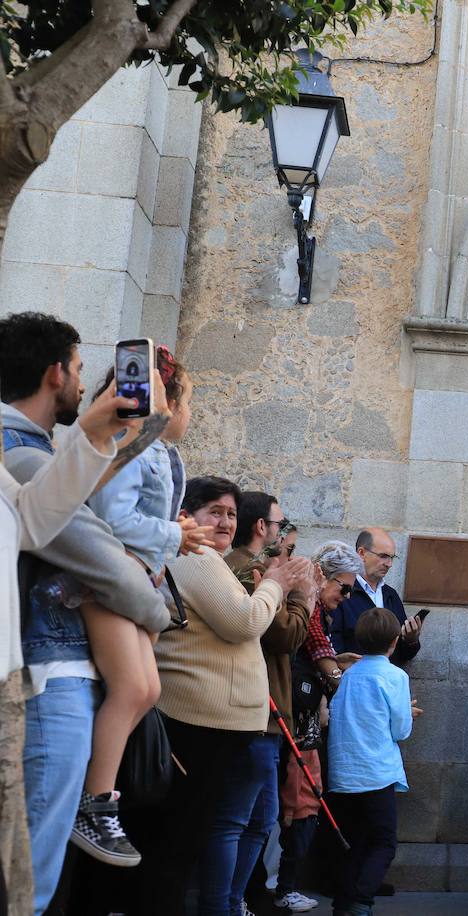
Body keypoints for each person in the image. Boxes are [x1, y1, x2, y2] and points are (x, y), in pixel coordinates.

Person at [0, 311, 172, 910]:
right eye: (77, 369)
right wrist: (157, 609)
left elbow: (84, 485)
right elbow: (93, 544)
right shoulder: (17, 453)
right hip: (52, 675)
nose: (81, 384)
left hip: (57, 667)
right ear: (54, 373)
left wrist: (144, 426)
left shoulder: (36, 449)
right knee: (30, 878)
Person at [129, 476, 313, 916]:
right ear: (185, 516)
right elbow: (244, 623)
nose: (227, 521)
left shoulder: (205, 559)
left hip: (217, 725)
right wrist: (278, 585)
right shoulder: (197, 558)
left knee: (190, 841)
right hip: (200, 725)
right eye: (215, 511)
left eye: (231, 513)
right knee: (180, 845)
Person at [77, 347, 213, 867]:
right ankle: (95, 801)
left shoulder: (160, 453)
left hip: (141, 577)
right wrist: (174, 533)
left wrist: (174, 538)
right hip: (110, 574)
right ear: (167, 400)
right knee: (134, 686)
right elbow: (113, 517)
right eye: (188, 402)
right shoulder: (130, 442)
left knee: (148, 688)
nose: (189, 415)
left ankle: (101, 787)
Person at [224, 503, 317, 916]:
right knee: (253, 819)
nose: (287, 549)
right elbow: (284, 635)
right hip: (257, 711)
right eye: (283, 532)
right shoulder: (248, 569)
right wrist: (304, 596)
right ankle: (229, 902)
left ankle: (232, 899)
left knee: (253, 818)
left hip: (266, 710)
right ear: (263, 526)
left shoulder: (253, 566)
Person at [327, 607, 418, 916]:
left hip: (343, 774)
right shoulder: (395, 676)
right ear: (395, 641)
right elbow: (401, 730)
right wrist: (406, 710)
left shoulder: (348, 674)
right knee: (383, 843)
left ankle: (343, 902)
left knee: (353, 844)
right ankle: (360, 901)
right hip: (376, 774)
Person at [331, 528, 422, 665]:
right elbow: (333, 645)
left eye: (392, 557)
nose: (389, 564)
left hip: (389, 681)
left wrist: (411, 640)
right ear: (361, 553)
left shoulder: (390, 595)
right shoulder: (343, 592)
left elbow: (404, 655)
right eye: (383, 556)